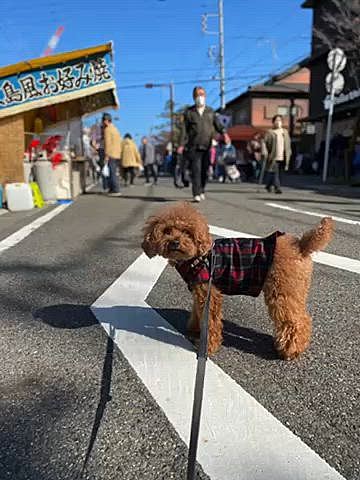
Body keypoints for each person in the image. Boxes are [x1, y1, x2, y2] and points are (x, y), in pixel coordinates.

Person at [178, 86, 230, 202]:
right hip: (194, 146)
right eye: (197, 95)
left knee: (205, 171)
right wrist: (181, 145)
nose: (199, 97)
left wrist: (225, 134)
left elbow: (218, 125)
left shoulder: (210, 112)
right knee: (196, 170)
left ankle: (201, 189)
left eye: (202, 94)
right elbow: (184, 130)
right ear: (193, 97)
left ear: (205, 96)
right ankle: (196, 192)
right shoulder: (189, 112)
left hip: (207, 146)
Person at [262, 114, 291, 194]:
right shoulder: (270, 132)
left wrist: (289, 153)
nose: (278, 122)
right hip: (273, 155)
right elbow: (264, 142)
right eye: (276, 121)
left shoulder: (285, 132)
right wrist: (264, 151)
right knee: (275, 172)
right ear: (273, 122)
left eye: (280, 120)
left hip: (283, 156)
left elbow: (288, 144)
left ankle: (268, 185)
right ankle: (277, 187)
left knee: (277, 173)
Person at [102, 113, 122, 196]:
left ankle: (115, 189)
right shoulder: (115, 129)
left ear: (106, 121)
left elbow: (108, 143)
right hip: (117, 153)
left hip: (111, 153)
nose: (102, 123)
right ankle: (112, 189)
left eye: (103, 120)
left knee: (112, 172)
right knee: (113, 171)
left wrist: (106, 155)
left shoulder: (107, 130)